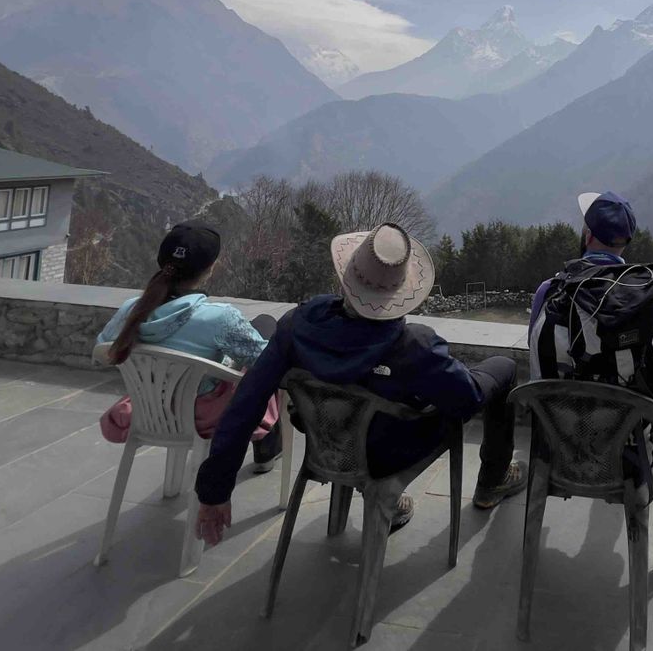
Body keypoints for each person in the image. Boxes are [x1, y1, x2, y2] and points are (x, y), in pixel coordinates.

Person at [194, 222, 526, 547]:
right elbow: (465, 400)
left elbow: (246, 404)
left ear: (345, 280)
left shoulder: (297, 326)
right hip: (387, 452)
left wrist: (215, 491)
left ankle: (380, 495)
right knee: (504, 368)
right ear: (400, 294)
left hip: (327, 439)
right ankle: (492, 482)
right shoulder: (415, 346)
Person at [96, 220, 281, 471]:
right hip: (201, 417)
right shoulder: (219, 318)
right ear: (211, 267)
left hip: (149, 411)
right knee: (267, 330)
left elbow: (103, 351)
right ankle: (267, 446)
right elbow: (265, 363)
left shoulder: (132, 309)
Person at [528, 191, 653, 395]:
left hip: (559, 422)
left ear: (588, 235)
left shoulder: (549, 290)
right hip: (631, 425)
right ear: (626, 241)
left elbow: (535, 353)